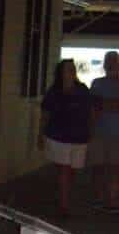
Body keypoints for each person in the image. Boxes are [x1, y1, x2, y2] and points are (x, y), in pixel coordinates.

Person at [38, 59, 92, 217]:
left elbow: (90, 111)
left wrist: (90, 130)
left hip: (79, 136)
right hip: (58, 136)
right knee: (64, 168)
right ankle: (64, 204)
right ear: (61, 72)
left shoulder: (82, 90)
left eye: (73, 68)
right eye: (68, 69)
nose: (71, 71)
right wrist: (40, 133)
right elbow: (45, 114)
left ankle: (63, 194)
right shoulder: (54, 91)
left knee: (73, 170)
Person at [88, 50, 119, 212]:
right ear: (105, 65)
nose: (111, 64)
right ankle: (99, 198)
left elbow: (100, 105)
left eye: (114, 61)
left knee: (115, 168)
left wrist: (103, 104)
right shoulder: (97, 83)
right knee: (97, 167)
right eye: (109, 61)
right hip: (98, 132)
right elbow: (91, 106)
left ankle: (113, 200)